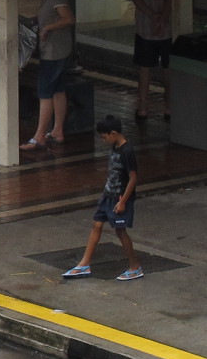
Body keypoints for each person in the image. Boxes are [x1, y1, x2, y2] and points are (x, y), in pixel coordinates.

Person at [61, 118, 144, 281]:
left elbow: (133, 178)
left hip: (119, 197)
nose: (103, 140)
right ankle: (84, 263)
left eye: (104, 137)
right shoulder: (115, 146)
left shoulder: (127, 151)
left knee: (120, 231)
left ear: (113, 134)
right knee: (96, 224)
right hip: (108, 195)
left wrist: (123, 201)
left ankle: (135, 266)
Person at [25, 0, 76, 149]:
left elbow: (68, 18)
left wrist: (47, 28)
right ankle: (57, 130)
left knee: (45, 91)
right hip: (59, 49)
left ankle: (39, 136)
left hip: (53, 51)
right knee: (58, 89)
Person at [128, 0, 173, 121]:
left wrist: (152, 15)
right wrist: (162, 18)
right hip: (167, 28)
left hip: (144, 28)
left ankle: (143, 109)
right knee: (168, 68)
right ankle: (169, 108)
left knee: (144, 69)